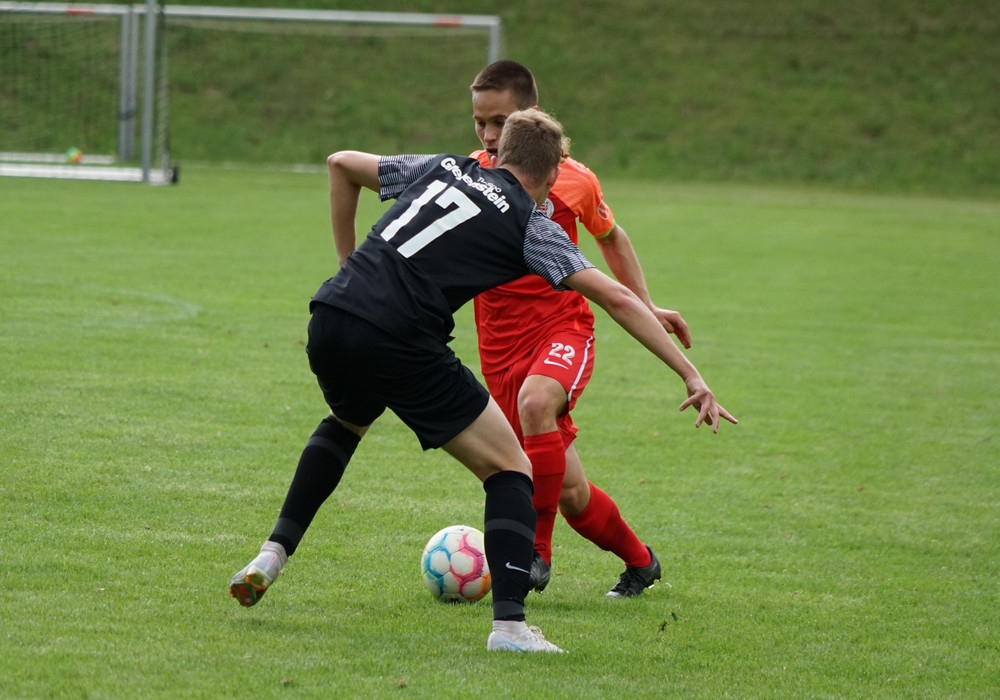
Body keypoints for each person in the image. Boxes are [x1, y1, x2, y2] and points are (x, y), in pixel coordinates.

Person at [228, 109, 735, 654]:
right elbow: (615, 297)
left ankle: (271, 554)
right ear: (553, 173)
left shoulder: (443, 166)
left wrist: (349, 264)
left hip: (333, 312)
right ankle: (511, 629)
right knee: (511, 467)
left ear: (498, 152)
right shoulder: (530, 225)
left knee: (348, 421)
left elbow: (342, 164)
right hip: (400, 337)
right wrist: (690, 373)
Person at [469, 60, 702, 597]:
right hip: (498, 347)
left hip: (562, 329)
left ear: (530, 116)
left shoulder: (572, 178)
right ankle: (642, 563)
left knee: (535, 403)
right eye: (479, 122)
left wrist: (646, 304)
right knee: (570, 492)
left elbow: (611, 235)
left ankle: (535, 553)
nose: (488, 135)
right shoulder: (471, 175)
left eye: (500, 122)